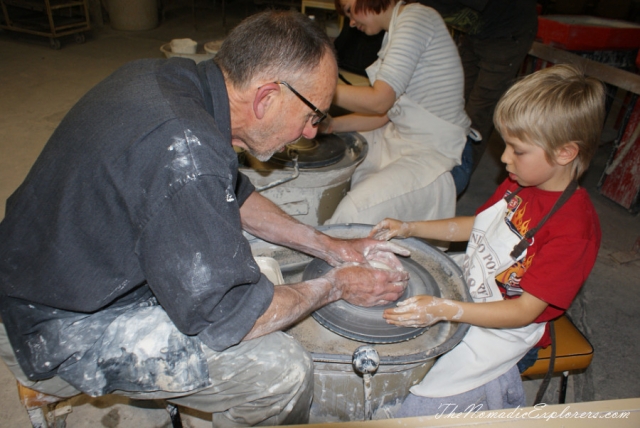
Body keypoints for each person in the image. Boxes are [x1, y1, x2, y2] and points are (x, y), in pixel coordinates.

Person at [0, 11, 411, 427]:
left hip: (45, 262)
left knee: (256, 261)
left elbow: (232, 192)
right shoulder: (187, 153)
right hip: (51, 324)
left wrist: (328, 245)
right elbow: (236, 317)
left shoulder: (174, 82)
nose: (311, 132)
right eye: (313, 115)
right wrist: (335, 285)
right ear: (266, 97)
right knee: (281, 369)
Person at [369, 64, 605, 416]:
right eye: (506, 145)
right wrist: (409, 227)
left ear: (565, 153)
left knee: (419, 406)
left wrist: (447, 310)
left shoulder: (574, 230)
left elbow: (525, 311)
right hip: (474, 281)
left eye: (517, 149)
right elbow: (477, 227)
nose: (505, 157)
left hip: (510, 328)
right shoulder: (521, 182)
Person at [321, 0, 471, 225]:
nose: (351, 23)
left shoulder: (417, 19)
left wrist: (319, 90)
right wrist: (332, 125)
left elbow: (380, 101)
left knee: (354, 210)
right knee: (334, 173)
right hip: (402, 135)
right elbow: (386, 114)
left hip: (440, 152)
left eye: (350, 11)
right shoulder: (395, 31)